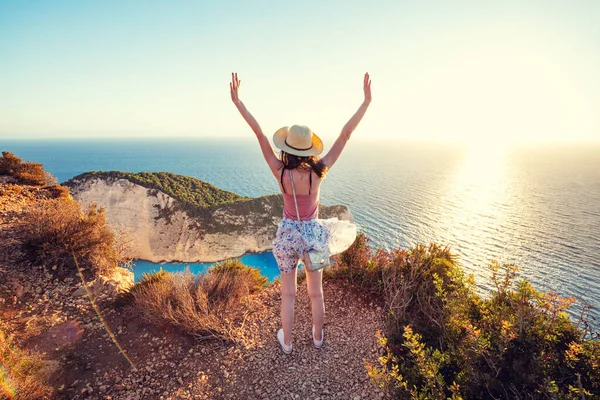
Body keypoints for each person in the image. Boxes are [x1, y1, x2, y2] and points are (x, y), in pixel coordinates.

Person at [230, 72, 372, 354]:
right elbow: (345, 135)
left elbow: (258, 133)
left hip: (287, 237)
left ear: (286, 147)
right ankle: (318, 338)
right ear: (308, 149)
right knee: (316, 293)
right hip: (314, 238)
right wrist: (366, 102)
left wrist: (238, 101)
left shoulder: (280, 172)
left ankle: (288, 343)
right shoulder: (319, 172)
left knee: (288, 295)